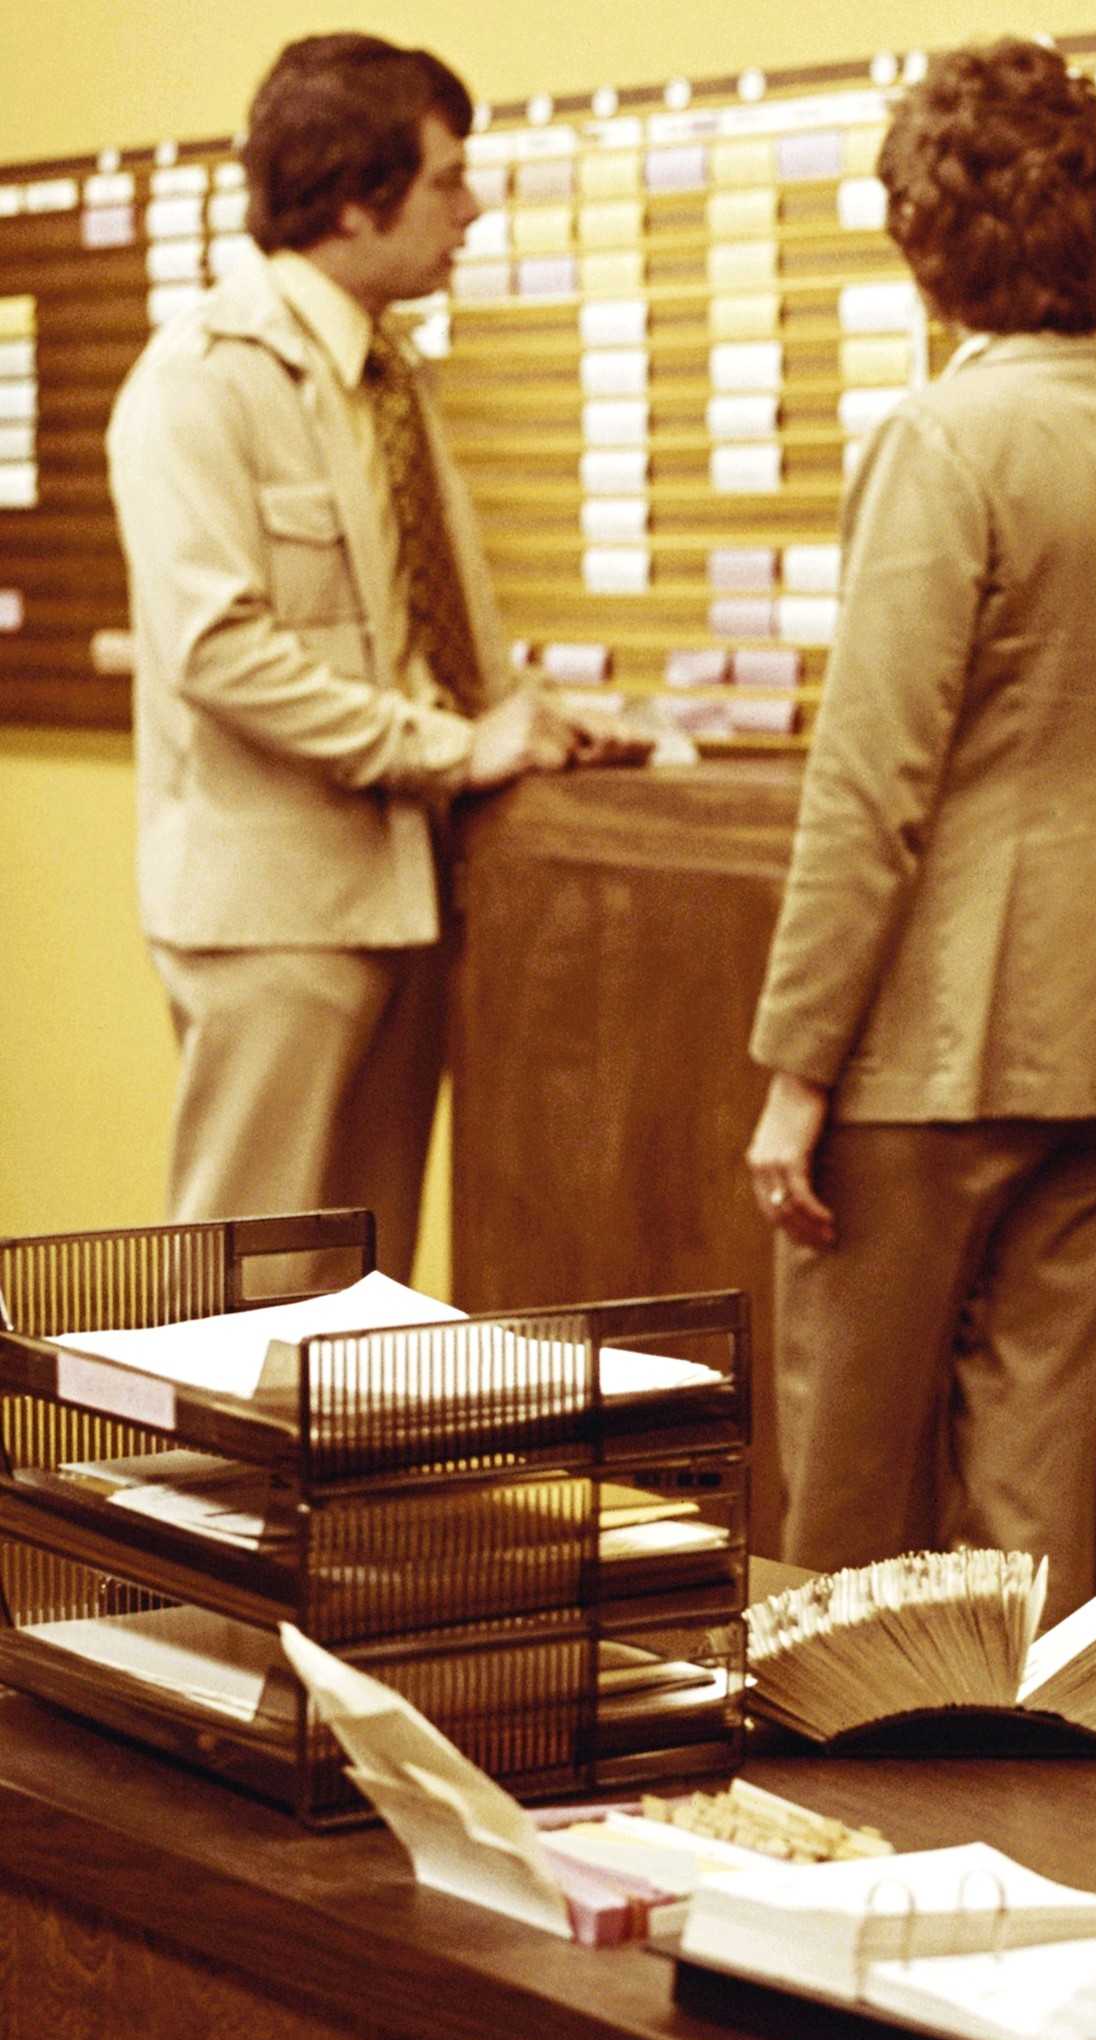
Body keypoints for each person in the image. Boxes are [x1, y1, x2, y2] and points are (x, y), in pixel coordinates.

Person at [742, 39, 1096, 1608]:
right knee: (1037, 1478)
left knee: (843, 1492)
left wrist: (795, 1074)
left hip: (943, 1034)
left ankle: (835, 1765)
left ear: (921, 241)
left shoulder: (943, 439)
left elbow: (871, 786)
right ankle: (1019, 1759)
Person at [106, 34, 637, 1282]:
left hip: (408, 898)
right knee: (236, 1305)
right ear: (355, 197)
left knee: (361, 1311)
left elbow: (418, 627)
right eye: (448, 181)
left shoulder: (390, 375)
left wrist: (527, 719)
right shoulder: (199, 384)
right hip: (276, 919)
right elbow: (219, 653)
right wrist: (456, 746)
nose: (473, 208)